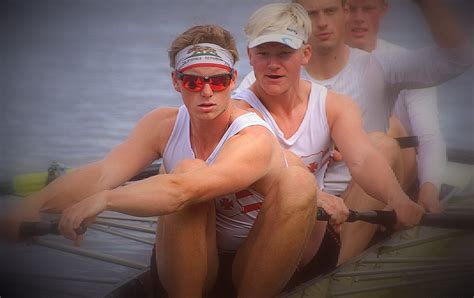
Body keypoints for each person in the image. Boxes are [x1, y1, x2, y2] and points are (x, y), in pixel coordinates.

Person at [4, 25, 319, 297]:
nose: (207, 92)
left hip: (254, 266)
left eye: (218, 80)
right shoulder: (161, 125)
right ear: (176, 82)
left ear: (233, 79)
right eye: (194, 82)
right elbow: (103, 174)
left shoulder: (252, 138)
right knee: (188, 169)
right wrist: (33, 204)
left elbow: (181, 189)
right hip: (191, 263)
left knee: (296, 182)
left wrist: (105, 200)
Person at [235, 0, 472, 265]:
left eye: (330, 11)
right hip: (305, 196)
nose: (322, 22)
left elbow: (459, 58)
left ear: (343, 13)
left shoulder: (378, 66)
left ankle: (334, 268)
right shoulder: (263, 81)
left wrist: (428, 188)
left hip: (362, 194)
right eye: (312, 14)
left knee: (383, 143)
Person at [345, 0, 446, 213]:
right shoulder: (323, 63)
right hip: (347, 162)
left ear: (383, 10)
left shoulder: (407, 63)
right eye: (351, 9)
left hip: (399, 161)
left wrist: (429, 189)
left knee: (386, 126)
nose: (359, 18)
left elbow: (429, 137)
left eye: (367, 8)